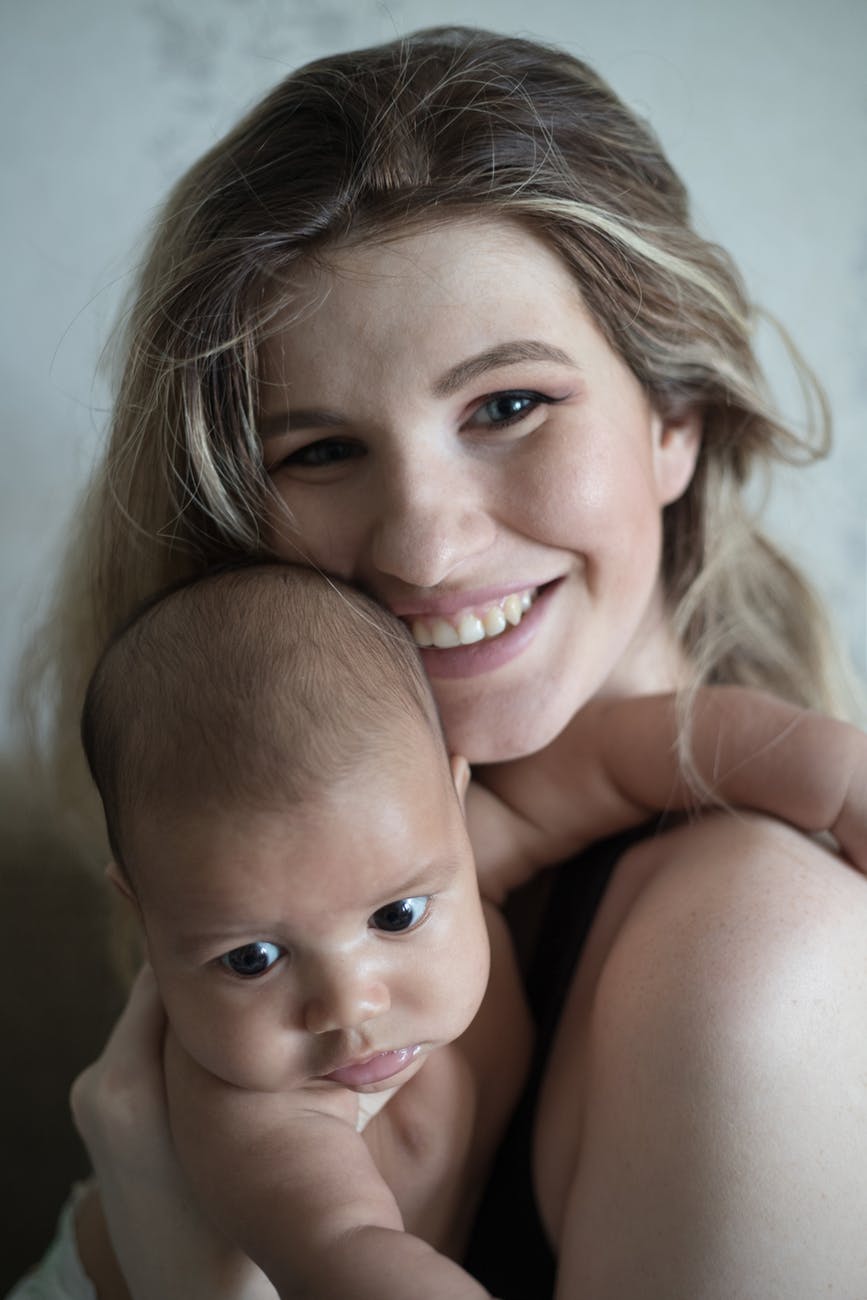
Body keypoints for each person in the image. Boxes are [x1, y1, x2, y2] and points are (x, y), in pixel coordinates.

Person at [15, 23, 867, 1300]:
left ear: (674, 415)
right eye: (318, 452)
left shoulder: (751, 961)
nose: (421, 546)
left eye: (507, 405)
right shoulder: (331, 820)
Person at [15, 558, 867, 1299]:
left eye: (394, 918)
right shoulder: (246, 1114)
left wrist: (841, 782)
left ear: (455, 805)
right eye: (252, 958)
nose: (348, 1004)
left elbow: (646, 748)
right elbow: (345, 1258)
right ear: (144, 911)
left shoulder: (455, 852)